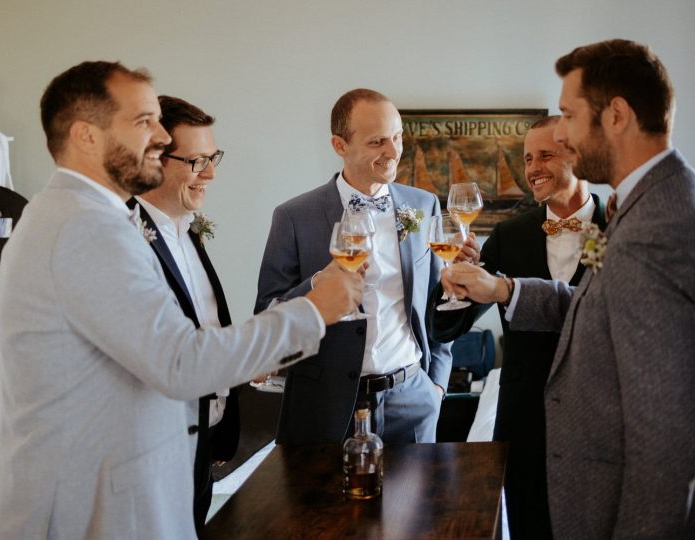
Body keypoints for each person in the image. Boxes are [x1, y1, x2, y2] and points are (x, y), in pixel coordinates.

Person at [0, 61, 362, 540]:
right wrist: (315, 308)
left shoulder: (83, 217)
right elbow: (181, 362)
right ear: (86, 136)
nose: (162, 138)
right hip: (90, 511)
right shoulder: (84, 227)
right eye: (144, 121)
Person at [441, 39, 695, 538]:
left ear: (615, 114)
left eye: (569, 115)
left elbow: (667, 435)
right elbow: (596, 304)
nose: (565, 134)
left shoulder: (657, 229)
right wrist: (506, 290)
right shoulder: (664, 196)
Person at [430, 114, 606, 539]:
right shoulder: (509, 236)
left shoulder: (620, 228)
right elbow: (445, 326)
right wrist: (456, 280)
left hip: (599, 420)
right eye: (527, 158)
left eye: (545, 155)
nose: (532, 169)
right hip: (526, 422)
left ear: (578, 155)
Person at [255, 88, 452, 445]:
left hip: (412, 399)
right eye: (378, 141)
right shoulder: (294, 217)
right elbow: (267, 310)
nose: (393, 151)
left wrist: (436, 384)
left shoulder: (424, 206)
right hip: (323, 406)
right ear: (339, 145)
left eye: (397, 137)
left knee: (416, 503)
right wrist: (318, 282)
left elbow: (438, 303)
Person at [126, 95, 239, 532]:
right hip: (152, 455)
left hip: (199, 444)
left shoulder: (188, 233)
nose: (210, 174)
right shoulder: (124, 239)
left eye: (213, 158)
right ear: (154, 157)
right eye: (197, 161)